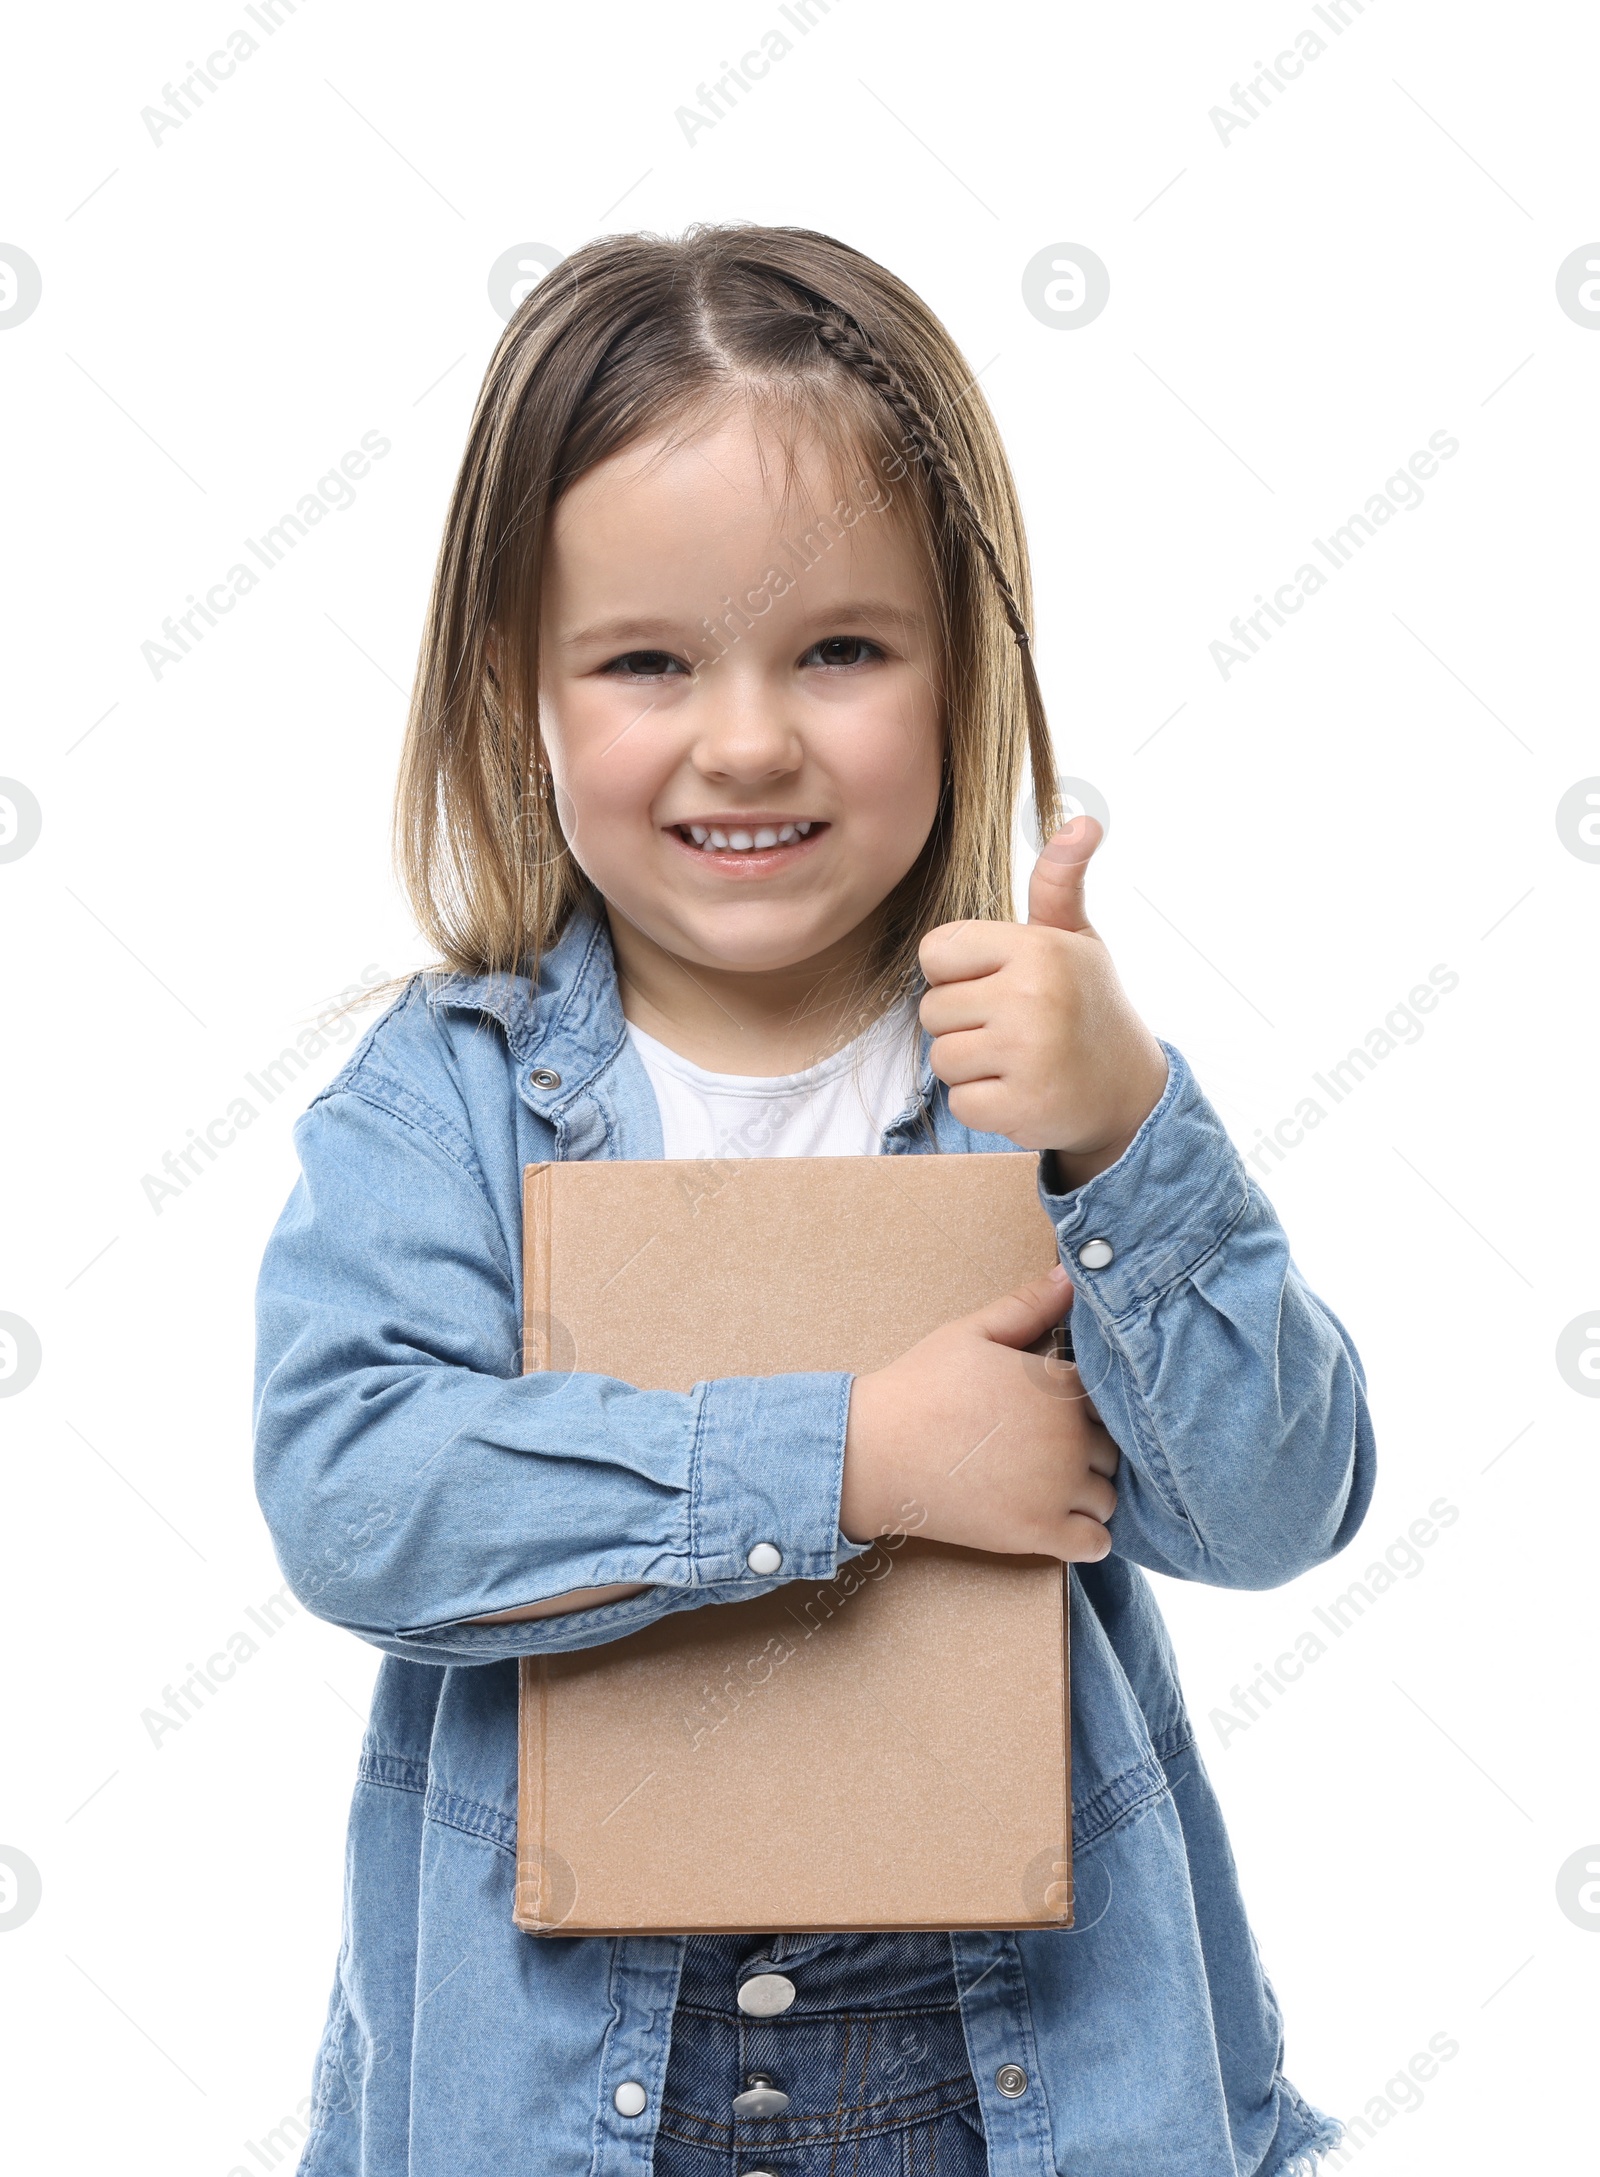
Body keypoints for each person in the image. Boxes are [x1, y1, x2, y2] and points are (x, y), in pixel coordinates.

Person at [253, 221, 1376, 2177]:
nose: (749, 734)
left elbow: (1274, 1503)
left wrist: (1125, 1141)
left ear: (958, 663)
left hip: (1004, 2074)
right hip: (570, 2084)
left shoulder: (1030, 1088)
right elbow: (359, 1498)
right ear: (518, 683)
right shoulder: (441, 1105)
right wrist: (853, 1459)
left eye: (839, 649)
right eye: (646, 662)